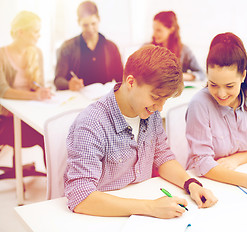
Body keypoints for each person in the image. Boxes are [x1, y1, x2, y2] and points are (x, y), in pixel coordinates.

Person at [64, 45, 217, 218]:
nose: (159, 108)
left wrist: (191, 184)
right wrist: (150, 208)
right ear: (131, 82)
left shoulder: (149, 113)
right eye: (156, 97)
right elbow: (81, 197)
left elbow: (162, 156)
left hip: (139, 207)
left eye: (165, 100)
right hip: (101, 216)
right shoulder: (91, 123)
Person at [185, 32, 247, 195]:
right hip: (207, 185)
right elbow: (203, 163)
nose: (221, 94)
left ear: (243, 76)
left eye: (229, 86)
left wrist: (235, 160)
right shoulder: (199, 104)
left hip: (241, 174)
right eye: (213, 84)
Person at [0, 11, 51, 163]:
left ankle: (53, 185)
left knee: (53, 134)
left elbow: (39, 85)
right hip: (6, 121)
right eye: (35, 31)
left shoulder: (37, 53)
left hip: (30, 115)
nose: (38, 35)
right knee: (46, 135)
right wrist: (35, 96)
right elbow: (3, 91)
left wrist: (42, 91)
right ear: (21, 32)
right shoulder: (1, 55)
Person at [54, 0, 123, 91]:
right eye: (85, 25)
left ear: (99, 19)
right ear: (79, 22)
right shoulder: (67, 47)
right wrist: (69, 84)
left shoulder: (111, 47)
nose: (90, 29)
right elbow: (58, 80)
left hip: (104, 97)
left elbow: (121, 78)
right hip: (78, 98)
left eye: (93, 24)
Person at [147, 11, 205, 81]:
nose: (154, 34)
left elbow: (201, 74)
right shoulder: (147, 48)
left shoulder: (184, 51)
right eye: (154, 29)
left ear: (171, 29)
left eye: (159, 30)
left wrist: (181, 76)